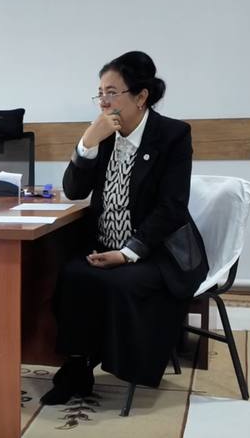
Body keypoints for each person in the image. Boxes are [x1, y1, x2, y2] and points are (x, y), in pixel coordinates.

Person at [41, 52, 209, 405]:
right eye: (100, 93)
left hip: (156, 252)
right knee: (70, 275)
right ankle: (77, 367)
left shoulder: (172, 135)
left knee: (120, 283)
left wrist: (128, 252)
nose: (104, 102)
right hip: (104, 244)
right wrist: (87, 143)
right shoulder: (104, 134)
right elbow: (74, 190)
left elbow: (171, 208)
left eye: (112, 92)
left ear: (141, 96)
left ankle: (126, 366)